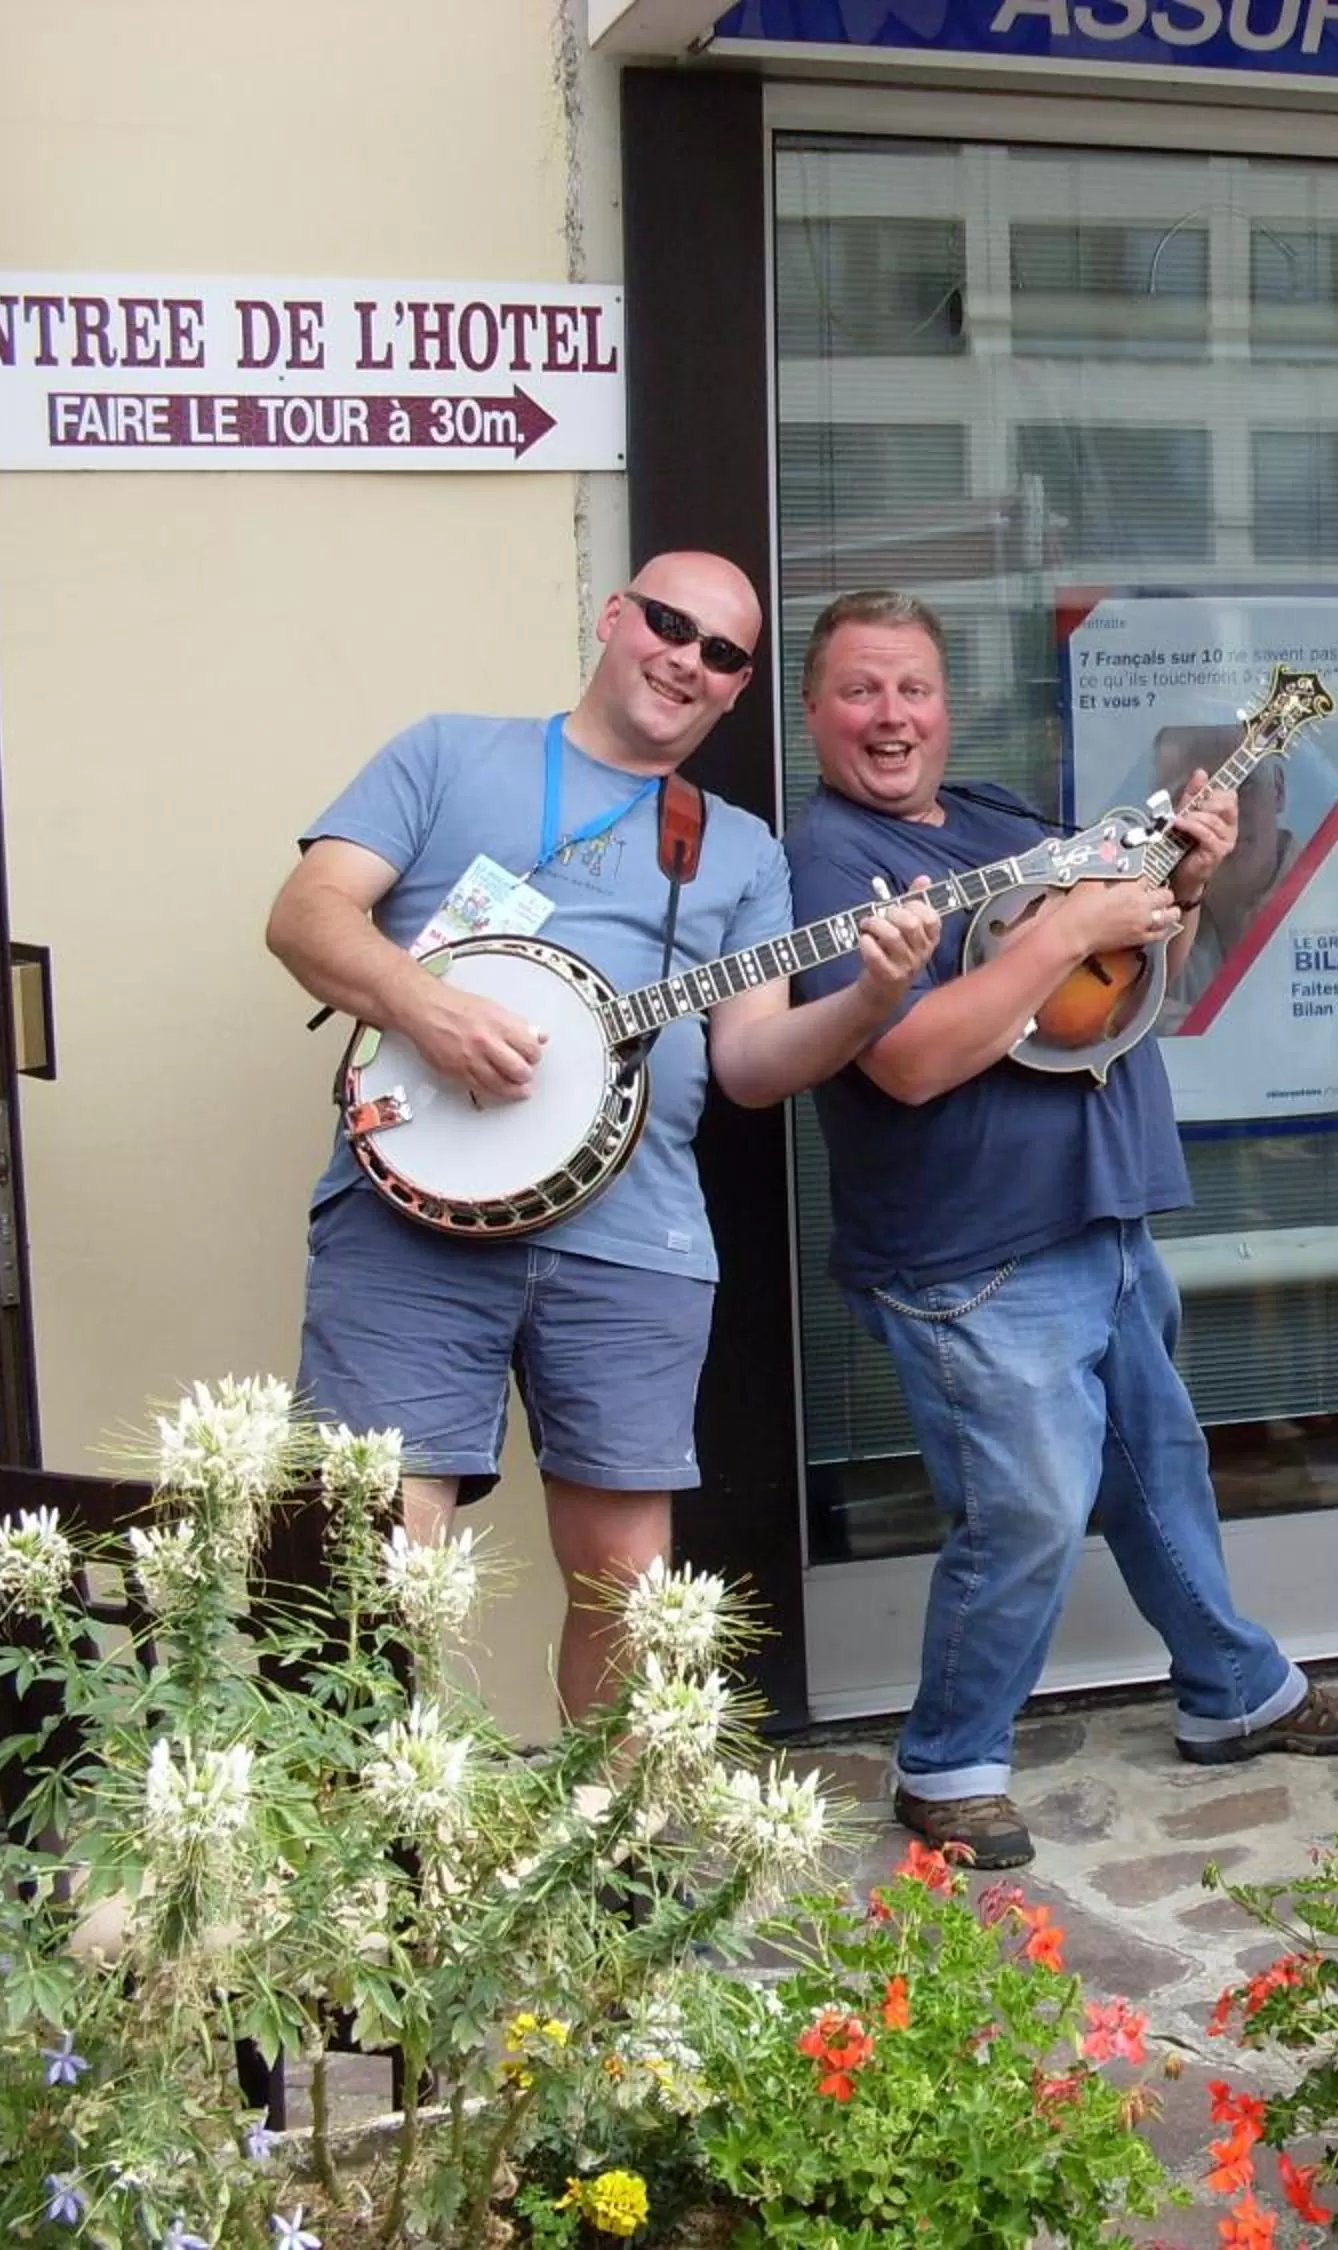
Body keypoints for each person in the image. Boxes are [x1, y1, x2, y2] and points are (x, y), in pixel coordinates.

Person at [269, 551, 939, 1719]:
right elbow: (306, 914)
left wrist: (876, 998)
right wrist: (429, 1006)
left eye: (723, 653)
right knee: (379, 1569)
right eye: (671, 624)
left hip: (635, 1242)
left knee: (629, 1588)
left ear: (737, 692)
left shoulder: (737, 849)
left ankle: (609, 1868)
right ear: (613, 616)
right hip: (408, 1224)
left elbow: (748, 1063)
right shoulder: (447, 753)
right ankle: (374, 1879)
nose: (688, 658)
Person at [782, 589, 1338, 1871]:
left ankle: (1237, 1692)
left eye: (916, 689)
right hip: (968, 1259)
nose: (894, 718)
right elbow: (912, 1062)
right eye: (863, 692)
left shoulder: (992, 818)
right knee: (1032, 1510)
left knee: (1161, 1471)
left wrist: (1190, 872)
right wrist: (1068, 932)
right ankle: (948, 1763)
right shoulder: (826, 864)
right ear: (816, 710)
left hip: (1097, 1216)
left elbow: (1129, 950)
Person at [1153, 723, 1297, 1031]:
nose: (1224, 815)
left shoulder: (1334, 888)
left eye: (1244, 787)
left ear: (1279, 791)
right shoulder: (1151, 909)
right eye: (1197, 797)